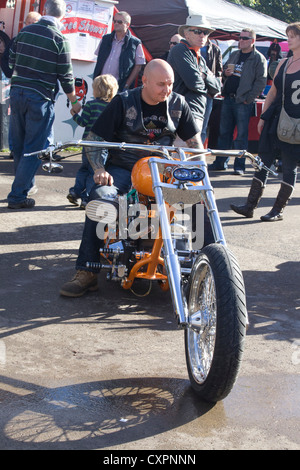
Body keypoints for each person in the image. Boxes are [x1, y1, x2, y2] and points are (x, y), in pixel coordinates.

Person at [60, 59, 203, 297]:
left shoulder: (178, 103)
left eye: (170, 84)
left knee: (196, 201)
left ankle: (205, 271)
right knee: (100, 199)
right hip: (123, 169)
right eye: (160, 84)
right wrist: (98, 169)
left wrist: (198, 172)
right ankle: (87, 271)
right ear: (144, 81)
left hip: (162, 171)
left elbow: (194, 144)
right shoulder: (124, 102)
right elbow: (95, 137)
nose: (166, 90)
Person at [6, 0, 81, 210]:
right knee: (35, 148)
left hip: (17, 92)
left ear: (44, 11)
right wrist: (74, 101)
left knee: (20, 146)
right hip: (40, 97)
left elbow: (11, 61)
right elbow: (66, 76)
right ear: (63, 15)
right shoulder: (61, 39)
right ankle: (18, 195)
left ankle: (25, 187)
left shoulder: (25, 31)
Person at [230, 22, 300, 222]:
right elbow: (273, 92)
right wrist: (263, 116)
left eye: (293, 35)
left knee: (289, 165)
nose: (289, 38)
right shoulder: (283, 63)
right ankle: (249, 206)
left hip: (295, 122)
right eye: (289, 35)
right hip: (276, 119)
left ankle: (277, 210)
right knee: (263, 162)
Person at [208, 28, 267, 175]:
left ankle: (239, 166)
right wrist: (226, 74)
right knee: (224, 133)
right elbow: (224, 71)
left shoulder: (258, 58)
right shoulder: (235, 54)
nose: (241, 40)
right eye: (240, 38)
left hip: (243, 101)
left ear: (252, 41)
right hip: (228, 98)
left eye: (245, 38)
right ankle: (220, 162)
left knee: (241, 136)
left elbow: (261, 81)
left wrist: (249, 98)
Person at [67, 74, 119, 209]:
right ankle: (87, 198)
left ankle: (75, 191)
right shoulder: (112, 107)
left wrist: (74, 115)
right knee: (95, 172)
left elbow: (83, 123)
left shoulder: (90, 105)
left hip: (87, 144)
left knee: (84, 168)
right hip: (102, 146)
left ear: (96, 90)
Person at [167, 15, 221, 138]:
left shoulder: (199, 58)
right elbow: (194, 83)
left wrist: (204, 76)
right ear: (186, 34)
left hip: (196, 112)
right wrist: (207, 80)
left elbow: (217, 87)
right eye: (197, 31)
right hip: (182, 113)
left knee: (191, 154)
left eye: (206, 32)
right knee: (187, 154)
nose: (202, 35)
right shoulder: (180, 50)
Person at [93, 11, 146, 92]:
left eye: (120, 22)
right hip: (101, 86)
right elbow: (98, 60)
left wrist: (127, 84)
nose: (116, 23)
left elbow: (138, 65)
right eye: (115, 21)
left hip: (120, 87)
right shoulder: (105, 39)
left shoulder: (135, 43)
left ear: (127, 25)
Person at [200, 38, 223, 144]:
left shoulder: (215, 49)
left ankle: (197, 154)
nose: (201, 34)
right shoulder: (187, 47)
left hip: (208, 93)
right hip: (192, 92)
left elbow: (219, 71)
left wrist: (215, 88)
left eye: (204, 32)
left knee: (203, 127)